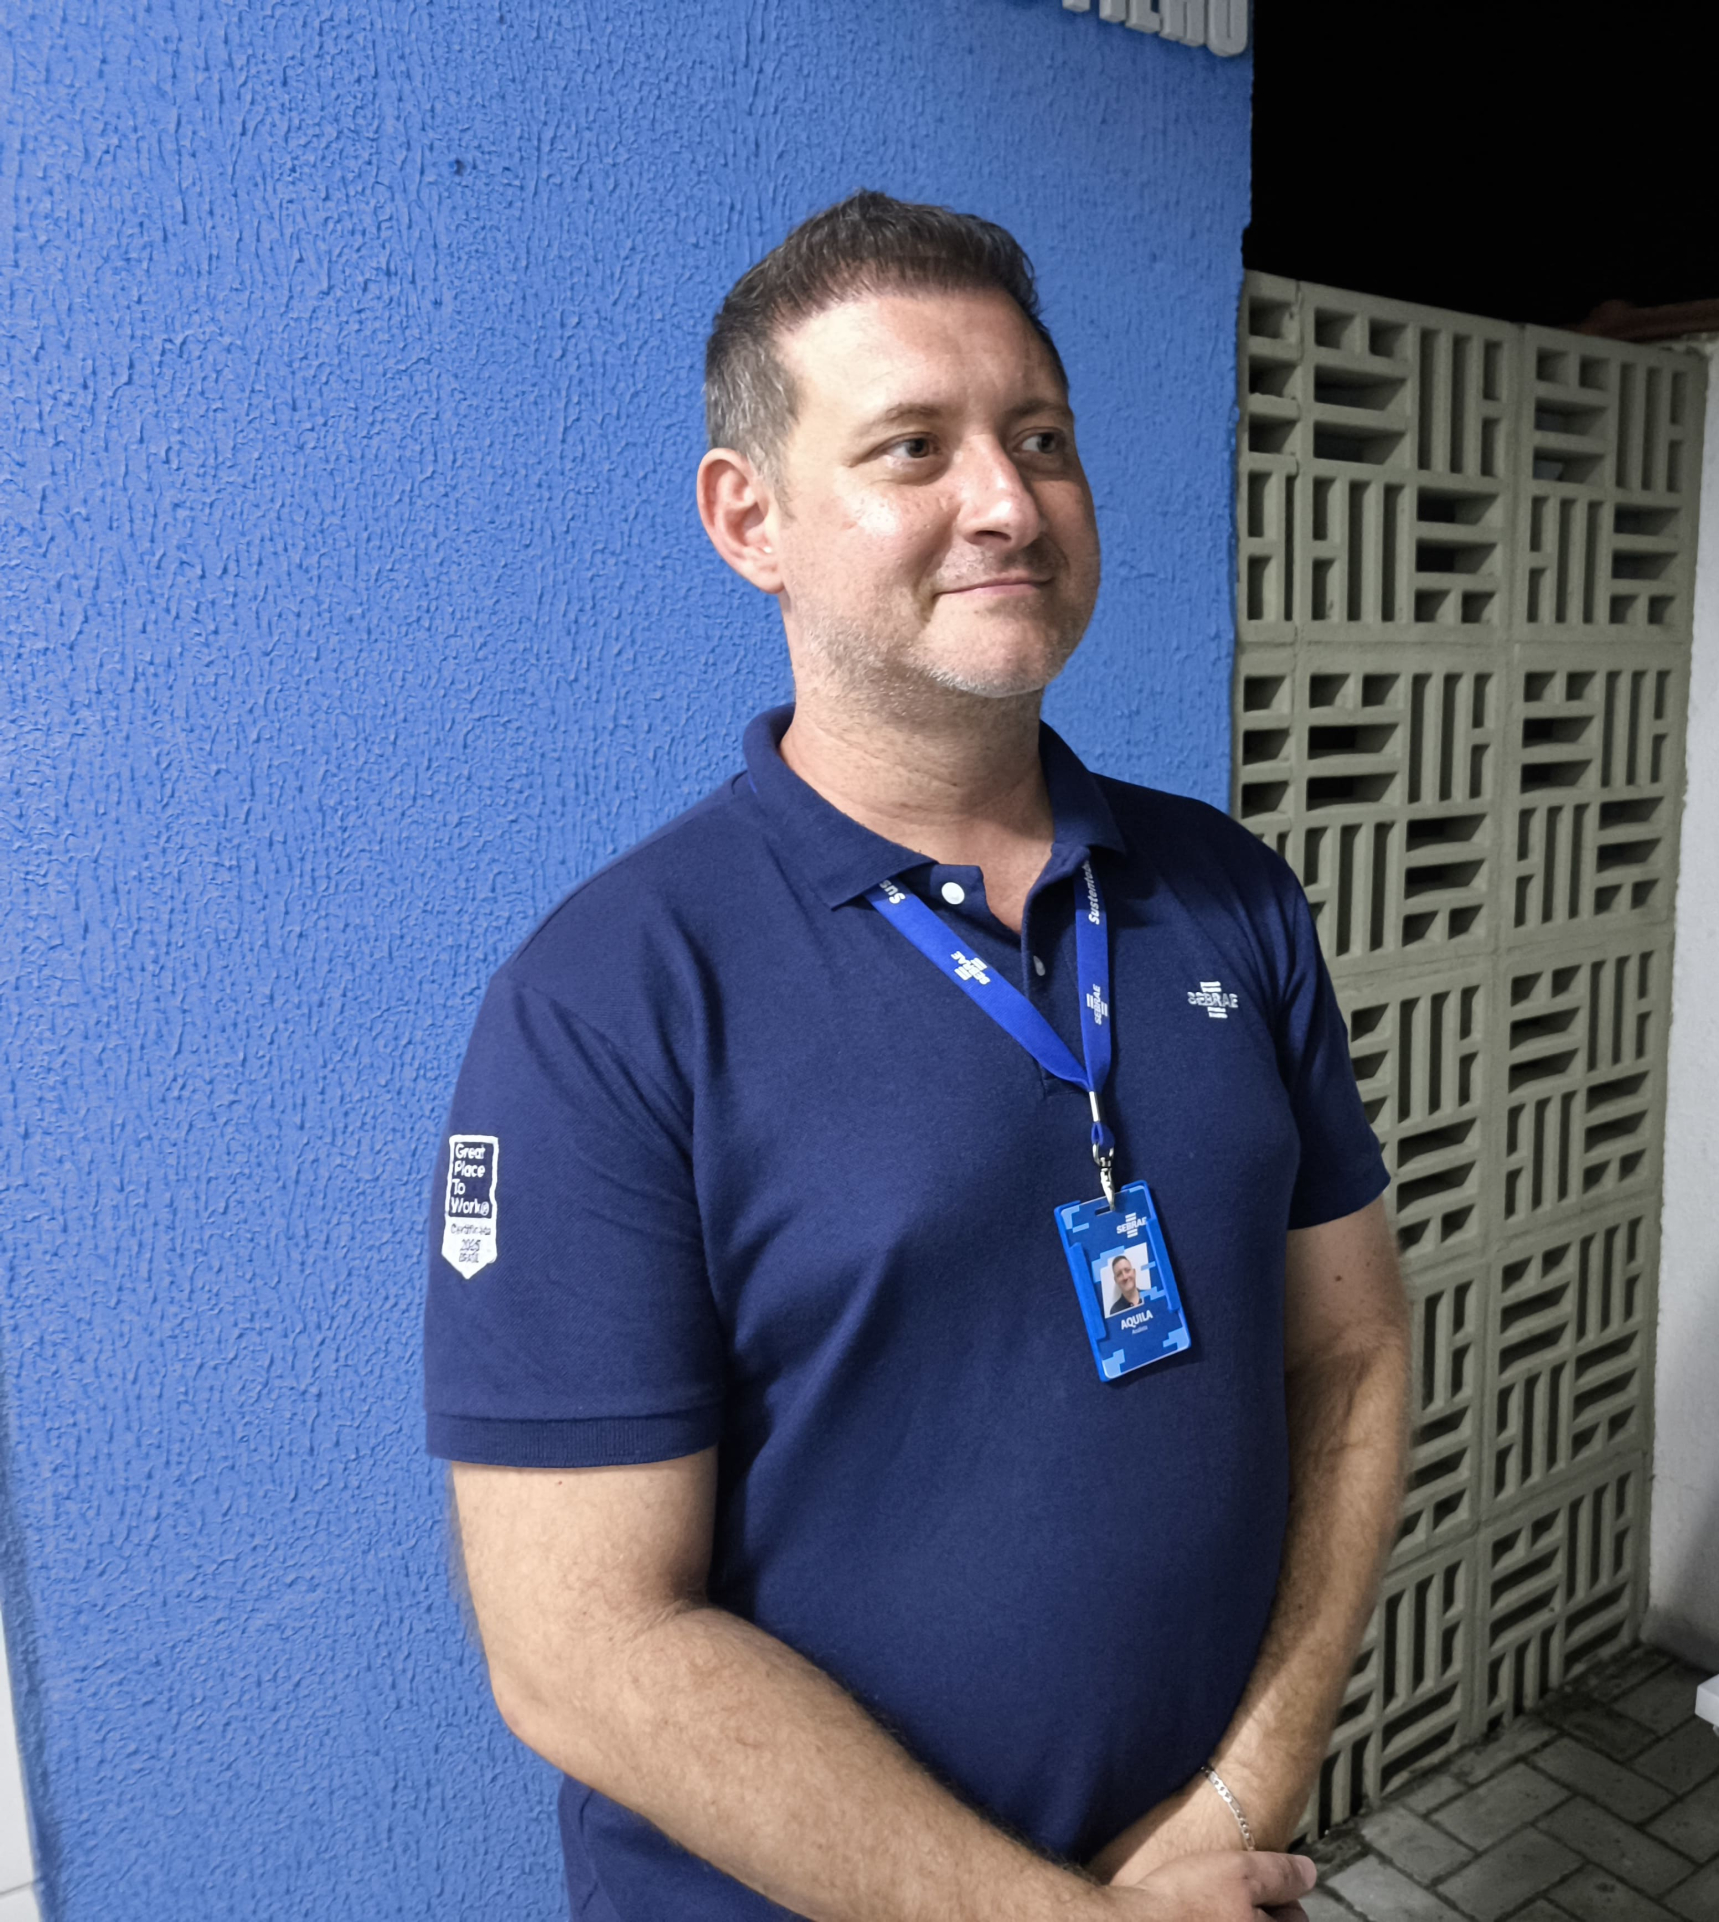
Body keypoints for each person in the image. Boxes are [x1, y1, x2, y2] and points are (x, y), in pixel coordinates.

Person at [423, 190, 1410, 1921]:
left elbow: (1353, 1349)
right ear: (750, 519)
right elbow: (579, 1646)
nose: (1009, 502)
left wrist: (1242, 1791)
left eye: (1042, 438)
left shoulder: (1228, 895)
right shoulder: (607, 1003)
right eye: (913, 447)